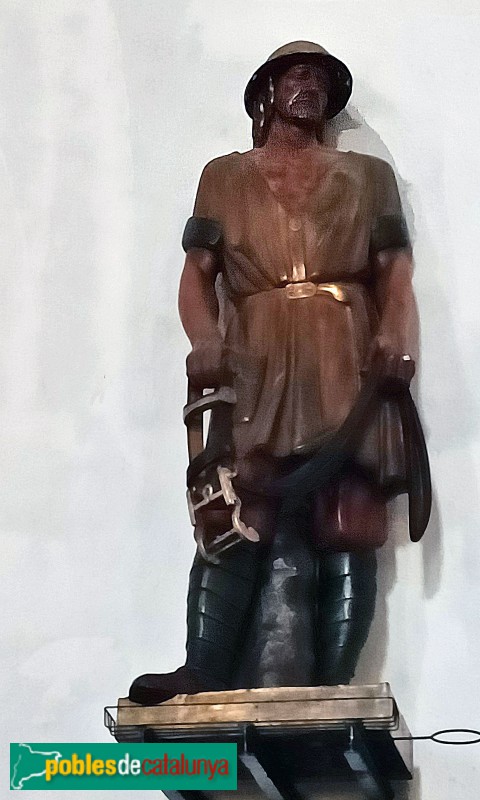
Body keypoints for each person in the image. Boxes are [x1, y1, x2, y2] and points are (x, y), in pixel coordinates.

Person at [129, 42, 424, 706]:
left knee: (349, 509)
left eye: (319, 79)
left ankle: (333, 688)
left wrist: (392, 333)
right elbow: (197, 274)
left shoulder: (368, 175)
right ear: (267, 91)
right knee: (235, 504)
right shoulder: (224, 176)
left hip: (343, 346)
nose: (308, 86)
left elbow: (395, 270)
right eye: (295, 75)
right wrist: (204, 337)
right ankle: (202, 667)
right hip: (255, 351)